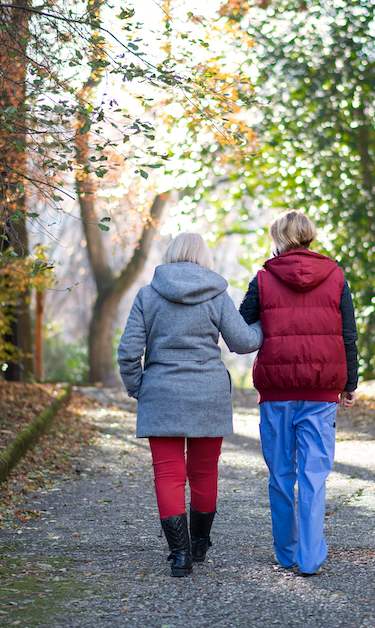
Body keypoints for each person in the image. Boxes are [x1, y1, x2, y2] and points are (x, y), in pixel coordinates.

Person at [117, 232, 263, 577]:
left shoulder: (148, 294)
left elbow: (127, 352)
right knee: (204, 473)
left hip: (161, 395)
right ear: (204, 257)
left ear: (171, 254)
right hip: (208, 396)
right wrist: (266, 325)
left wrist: (140, 388)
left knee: (167, 477)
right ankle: (199, 546)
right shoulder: (216, 294)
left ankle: (179, 556)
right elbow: (242, 342)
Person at [239, 209, 358, 576]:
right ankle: (309, 559)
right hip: (321, 391)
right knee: (313, 475)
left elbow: (243, 323)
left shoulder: (263, 278)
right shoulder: (335, 276)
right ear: (309, 235)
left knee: (280, 476)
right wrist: (349, 383)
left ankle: (287, 553)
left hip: (276, 392)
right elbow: (348, 334)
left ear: (278, 237)